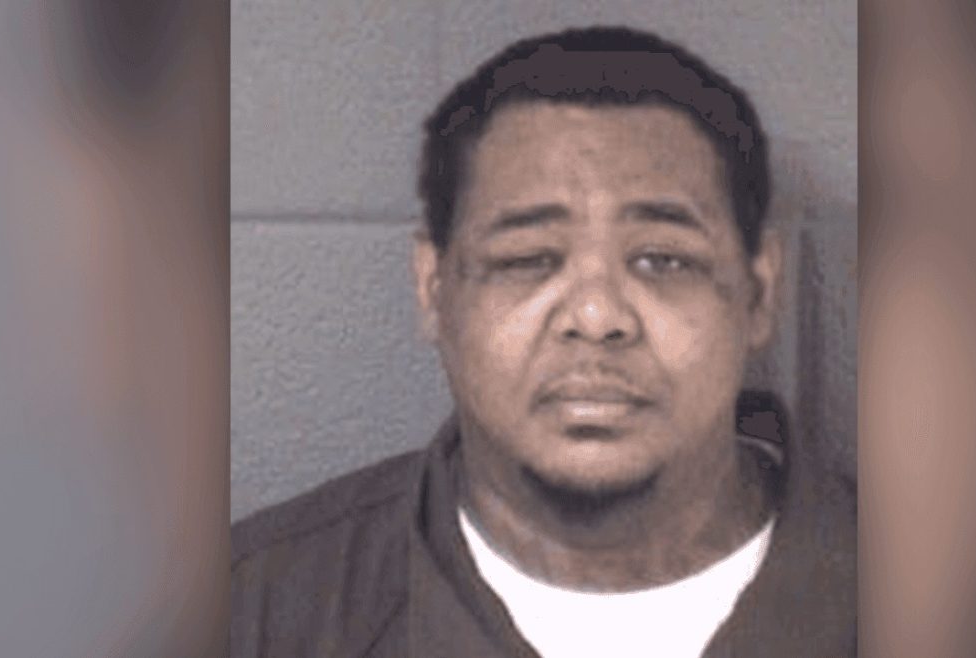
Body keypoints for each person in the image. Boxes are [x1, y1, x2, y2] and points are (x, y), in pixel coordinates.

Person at [231, 26, 855, 657]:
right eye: (528, 259)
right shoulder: (256, 612)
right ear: (433, 289)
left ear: (758, 292)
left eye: (664, 260)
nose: (596, 316)